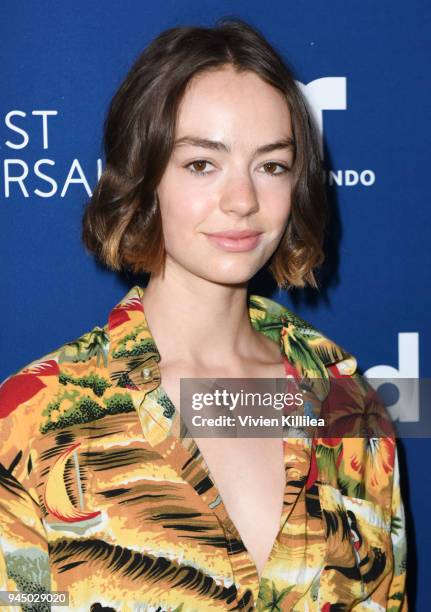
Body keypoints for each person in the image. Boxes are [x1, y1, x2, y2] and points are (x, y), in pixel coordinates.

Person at [0, 18, 407, 612]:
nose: (242, 200)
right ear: (144, 178)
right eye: (201, 164)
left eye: (271, 165)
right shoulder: (32, 422)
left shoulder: (348, 403)